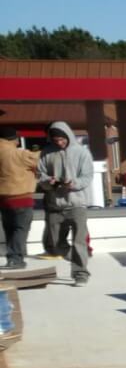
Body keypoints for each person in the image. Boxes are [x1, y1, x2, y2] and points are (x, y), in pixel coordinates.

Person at [37, 121, 93, 286]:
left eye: (62, 140)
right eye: (56, 141)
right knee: (53, 244)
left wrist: (73, 184)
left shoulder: (82, 153)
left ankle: (80, 273)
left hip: (77, 204)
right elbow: (40, 176)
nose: (60, 143)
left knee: (79, 241)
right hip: (55, 204)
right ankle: (78, 259)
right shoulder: (46, 153)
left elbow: (87, 176)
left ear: (68, 136)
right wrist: (49, 181)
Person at [0, 127, 36, 269]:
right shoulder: (19, 154)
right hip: (21, 198)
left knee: (9, 229)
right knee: (20, 229)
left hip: (3, 199)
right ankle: (16, 259)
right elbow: (41, 160)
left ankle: (12, 258)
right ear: (14, 139)